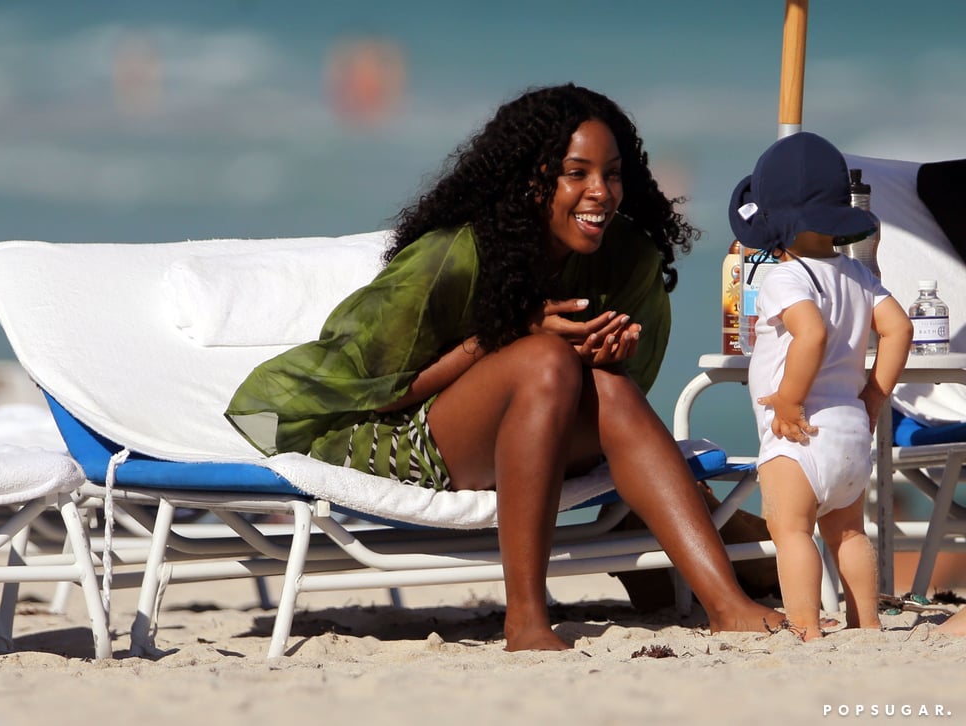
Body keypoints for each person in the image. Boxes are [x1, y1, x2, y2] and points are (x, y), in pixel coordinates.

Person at [226, 83, 785, 651]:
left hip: (534, 436)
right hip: (400, 436)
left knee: (605, 387)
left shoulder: (627, 260)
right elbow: (375, 392)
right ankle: (526, 620)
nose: (600, 192)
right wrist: (505, 339)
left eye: (612, 174)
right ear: (532, 178)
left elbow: (620, 405)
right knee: (544, 359)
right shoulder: (455, 256)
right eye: (576, 173)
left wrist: (602, 361)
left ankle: (728, 605)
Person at [729, 132, 914, 641]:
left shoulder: (785, 277)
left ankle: (807, 628)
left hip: (799, 433)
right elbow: (900, 329)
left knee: (791, 533)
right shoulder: (858, 273)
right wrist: (875, 395)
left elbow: (810, 333)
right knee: (848, 532)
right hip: (852, 430)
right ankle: (867, 622)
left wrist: (788, 397)